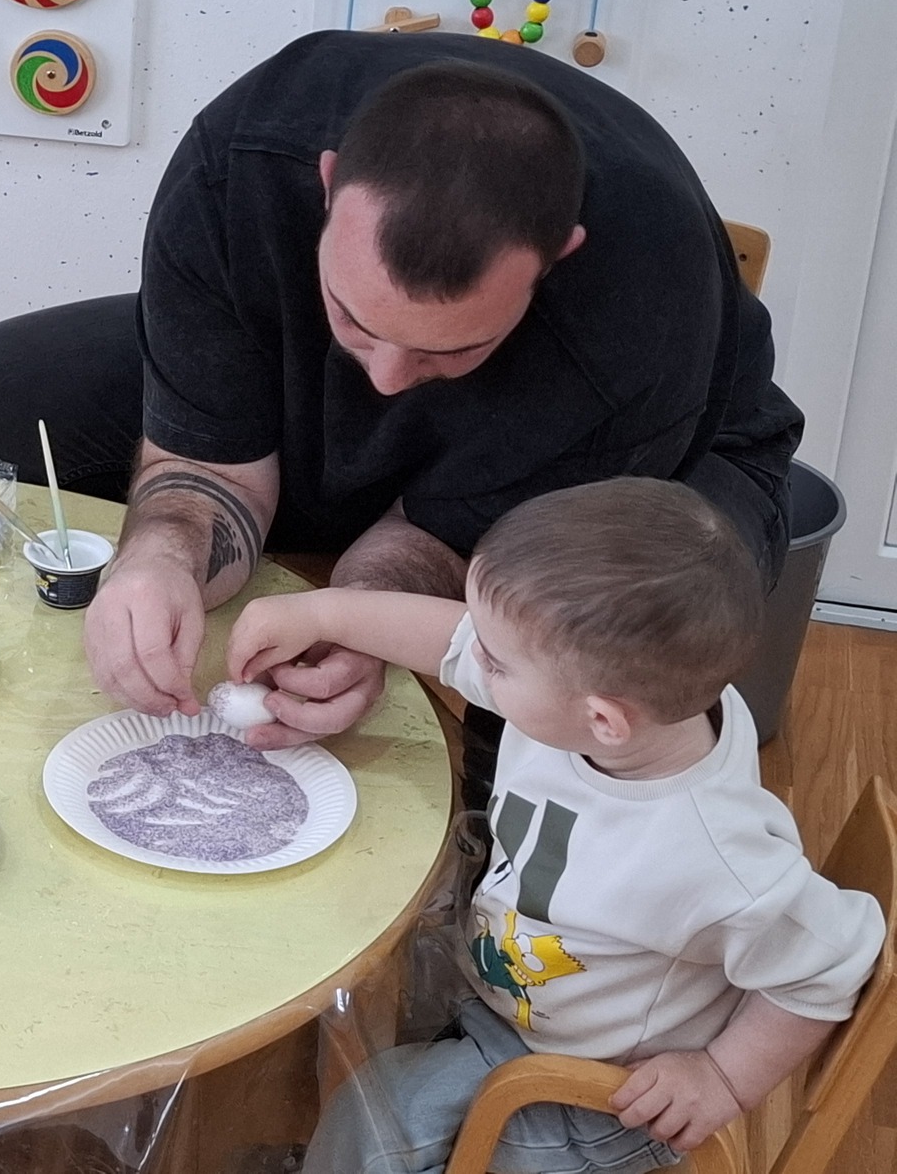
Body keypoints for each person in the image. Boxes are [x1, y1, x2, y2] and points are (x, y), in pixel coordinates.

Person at [0, 32, 800, 797]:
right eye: (355, 318)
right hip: (308, 379)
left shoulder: (639, 313)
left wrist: (359, 620)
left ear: (555, 259)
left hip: (652, 465)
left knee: (573, 661)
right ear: (329, 183)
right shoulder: (238, 167)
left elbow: (441, 538)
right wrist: (159, 557)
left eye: (449, 349)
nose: (385, 381)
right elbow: (211, 470)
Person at [225, 478, 882, 1174]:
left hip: (589, 1092)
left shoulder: (711, 857)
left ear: (603, 719)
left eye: (497, 663)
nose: (474, 659)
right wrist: (322, 612)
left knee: (373, 1122)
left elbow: (833, 962)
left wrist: (720, 1076)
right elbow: (452, 638)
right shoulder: (629, 709)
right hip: (518, 1003)